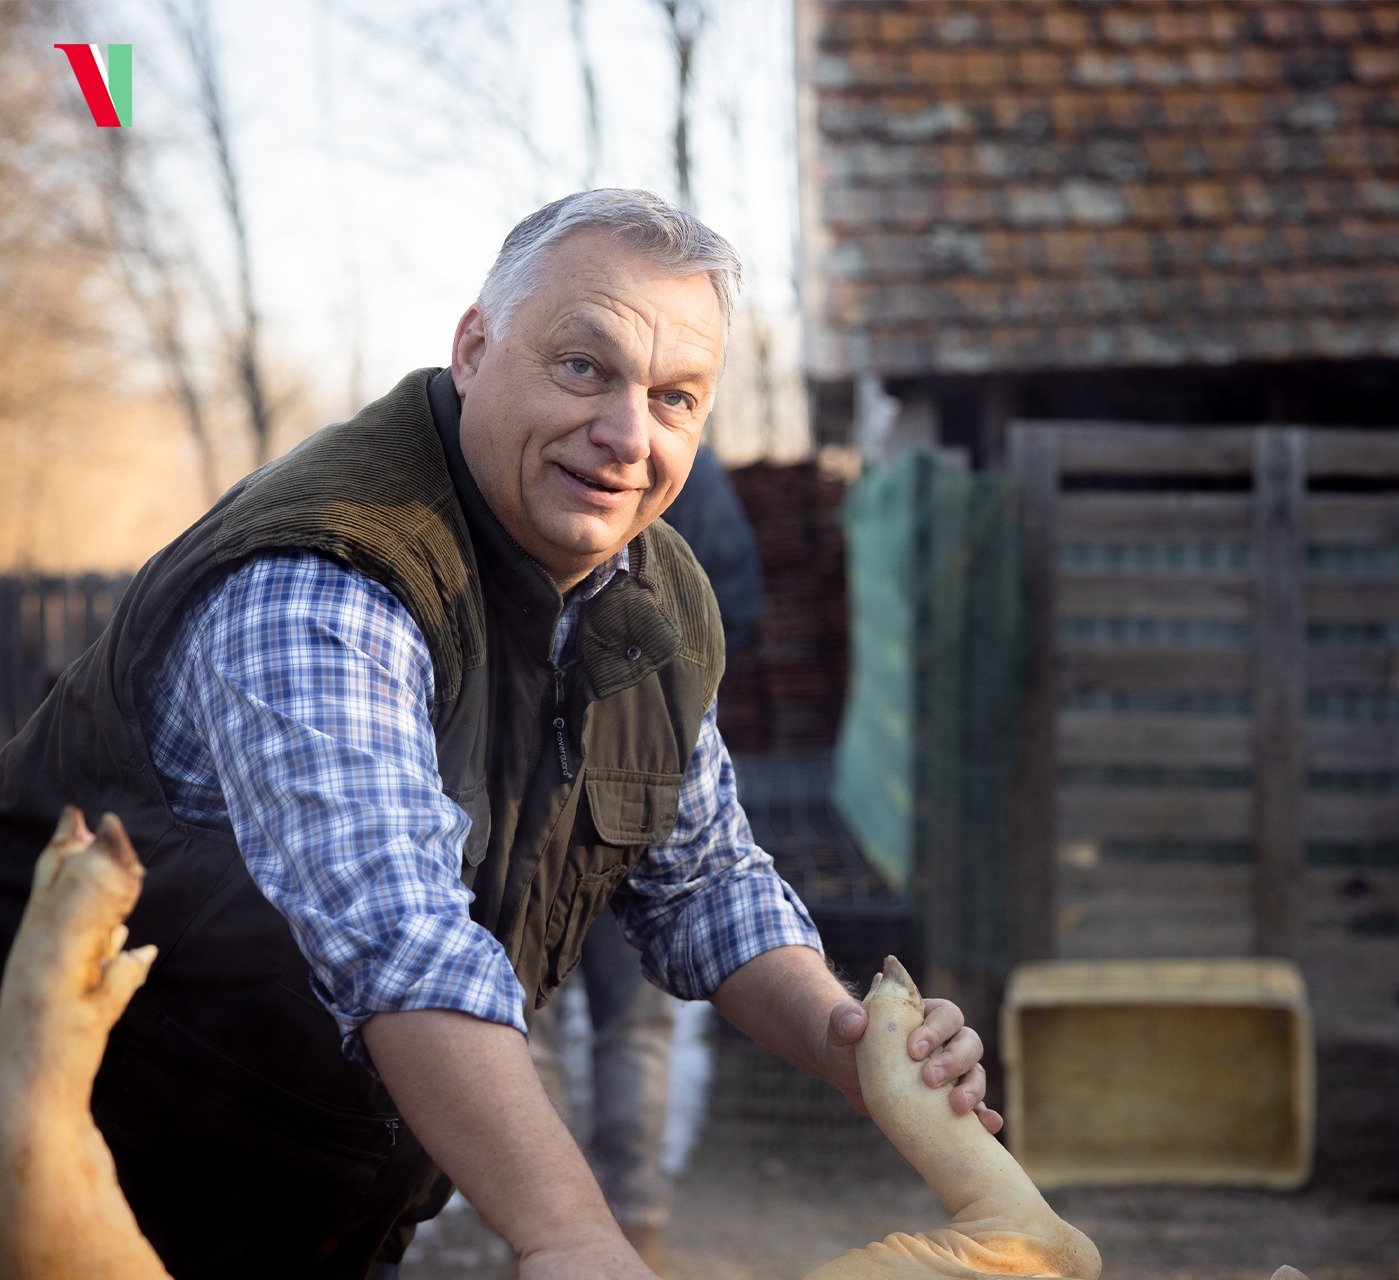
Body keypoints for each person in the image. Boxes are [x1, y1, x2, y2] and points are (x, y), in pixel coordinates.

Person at [0, 189, 994, 1280]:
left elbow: (705, 879)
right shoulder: (323, 582)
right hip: (72, 1186)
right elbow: (398, 933)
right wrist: (571, 1232)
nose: (627, 435)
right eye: (584, 367)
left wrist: (845, 1042)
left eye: (675, 397)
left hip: (307, 1201)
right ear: (474, 346)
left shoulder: (648, 599)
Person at [528, 443, 762, 1267]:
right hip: (642, 766)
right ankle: (627, 1225)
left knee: (522, 1022)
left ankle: (543, 1231)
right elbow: (737, 597)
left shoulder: (517, 465)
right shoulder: (696, 474)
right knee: (633, 1027)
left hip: (529, 783)